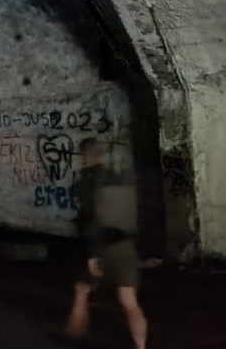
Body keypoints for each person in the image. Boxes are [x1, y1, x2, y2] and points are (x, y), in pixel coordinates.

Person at [64, 138, 147, 349]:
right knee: (129, 301)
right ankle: (141, 346)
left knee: (82, 291)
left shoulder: (87, 182)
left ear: (84, 155)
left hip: (99, 246)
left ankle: (74, 338)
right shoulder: (117, 177)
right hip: (124, 246)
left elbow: (92, 219)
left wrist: (93, 254)